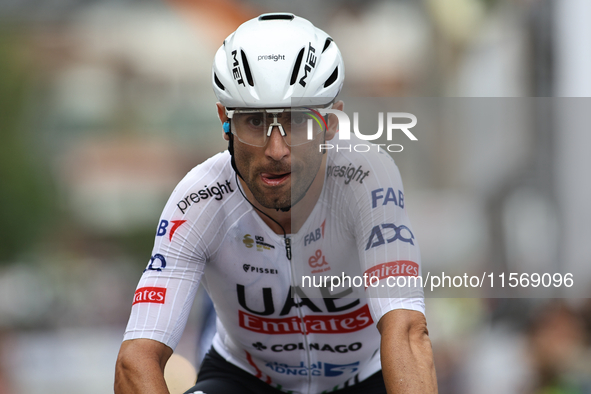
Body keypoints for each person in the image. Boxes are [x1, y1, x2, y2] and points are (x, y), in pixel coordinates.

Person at [115, 12, 437, 394]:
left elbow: (407, 331)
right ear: (225, 121)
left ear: (330, 125)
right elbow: (135, 361)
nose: (276, 150)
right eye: (254, 122)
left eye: (298, 121)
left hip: (363, 380)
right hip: (246, 380)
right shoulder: (198, 200)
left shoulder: (366, 178)